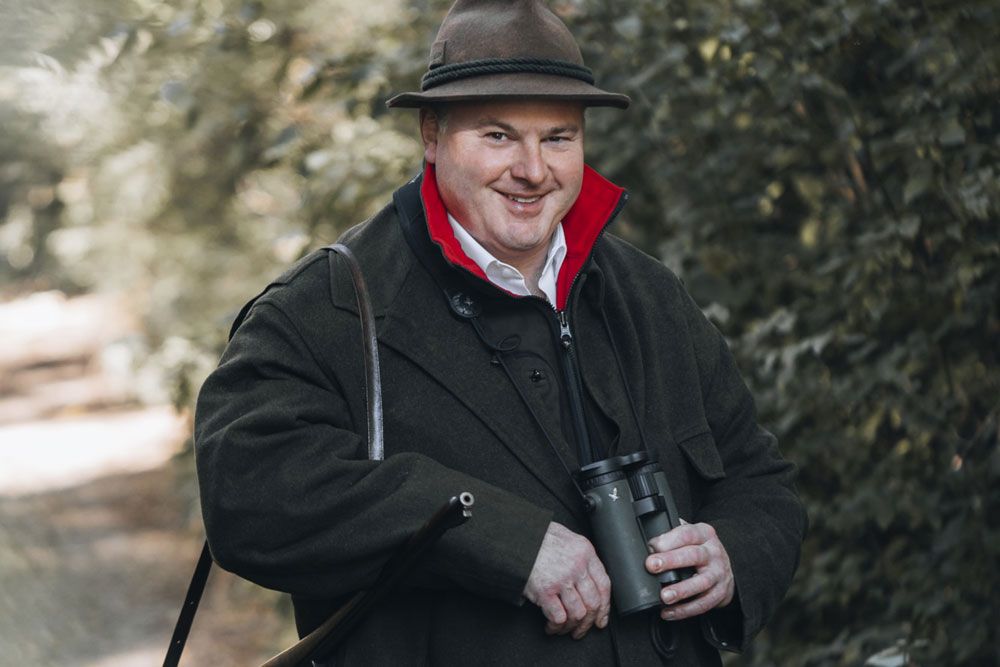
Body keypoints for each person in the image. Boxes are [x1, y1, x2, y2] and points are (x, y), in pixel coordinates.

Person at [194, 0, 807, 664]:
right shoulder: (331, 306)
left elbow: (759, 480)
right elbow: (247, 494)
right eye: (498, 136)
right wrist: (501, 537)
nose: (533, 170)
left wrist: (731, 554)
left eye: (559, 138)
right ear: (431, 135)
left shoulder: (649, 294)